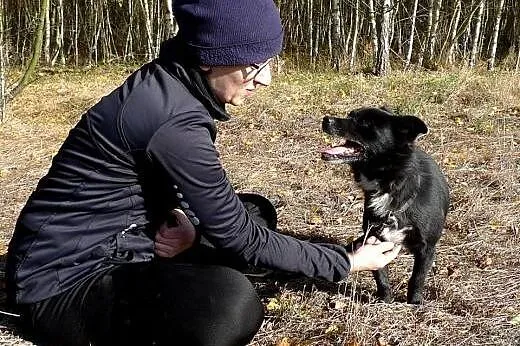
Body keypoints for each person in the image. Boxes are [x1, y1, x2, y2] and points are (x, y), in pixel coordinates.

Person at [5, 0, 401, 345]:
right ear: (209, 56)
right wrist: (346, 261)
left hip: (122, 237)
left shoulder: (172, 84)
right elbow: (239, 237)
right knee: (230, 307)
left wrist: (190, 229)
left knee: (257, 210)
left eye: (268, 63)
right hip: (62, 281)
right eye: (253, 66)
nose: (264, 79)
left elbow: (155, 184)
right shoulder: (172, 120)